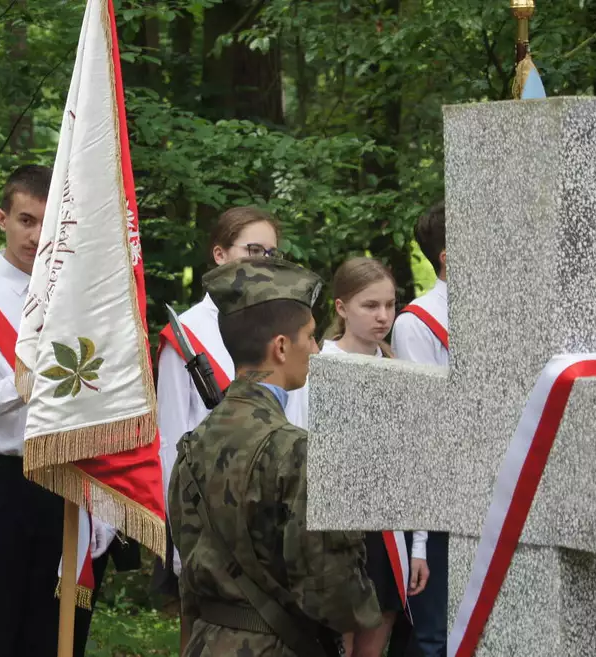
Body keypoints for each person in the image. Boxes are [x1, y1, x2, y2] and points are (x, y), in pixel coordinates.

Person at [168, 257, 382, 657]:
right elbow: (332, 591)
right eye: (310, 336)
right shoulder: (295, 449)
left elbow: (188, 574)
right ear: (281, 347)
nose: (316, 349)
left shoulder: (193, 444)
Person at [0, 164, 115, 657]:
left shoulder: (79, 299)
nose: (36, 235)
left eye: (49, 223)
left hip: (66, 479)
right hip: (0, 484)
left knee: (59, 633)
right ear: (2, 218)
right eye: (26, 220)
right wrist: (32, 371)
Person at [155, 206, 308, 647]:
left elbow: (295, 421)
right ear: (220, 254)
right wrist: (181, 533)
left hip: (274, 508)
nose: (263, 260)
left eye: (272, 252)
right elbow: (170, 440)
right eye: (253, 249)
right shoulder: (186, 333)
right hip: (208, 511)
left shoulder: (283, 328)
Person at [313, 257, 430, 657]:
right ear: (341, 307)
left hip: (387, 536)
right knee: (336, 643)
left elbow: (411, 465)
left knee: (375, 644)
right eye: (370, 305)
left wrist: (418, 547)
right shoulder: (319, 368)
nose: (383, 316)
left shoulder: (398, 369)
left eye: (390, 305)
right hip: (333, 534)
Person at [391, 202, 450, 656]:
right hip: (441, 497)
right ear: (447, 257)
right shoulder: (417, 323)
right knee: (435, 634)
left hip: (502, 493)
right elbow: (423, 425)